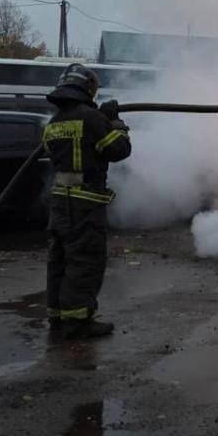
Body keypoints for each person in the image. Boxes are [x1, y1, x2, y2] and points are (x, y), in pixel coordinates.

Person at [42, 63, 132, 340]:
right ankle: (78, 322)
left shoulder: (54, 122)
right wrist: (115, 123)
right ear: (88, 89)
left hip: (59, 204)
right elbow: (118, 150)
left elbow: (52, 151)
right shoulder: (91, 118)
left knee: (60, 261)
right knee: (84, 262)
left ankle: (58, 316)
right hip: (84, 205)